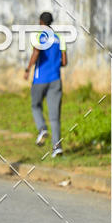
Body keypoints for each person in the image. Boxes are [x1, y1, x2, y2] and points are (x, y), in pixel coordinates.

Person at [24, 11, 67, 157]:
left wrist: (28, 69)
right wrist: (54, 64)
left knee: (35, 105)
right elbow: (64, 62)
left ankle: (42, 128)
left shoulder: (39, 36)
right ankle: (57, 148)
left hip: (40, 79)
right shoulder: (59, 38)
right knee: (55, 116)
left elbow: (36, 52)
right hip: (55, 79)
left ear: (41, 22)